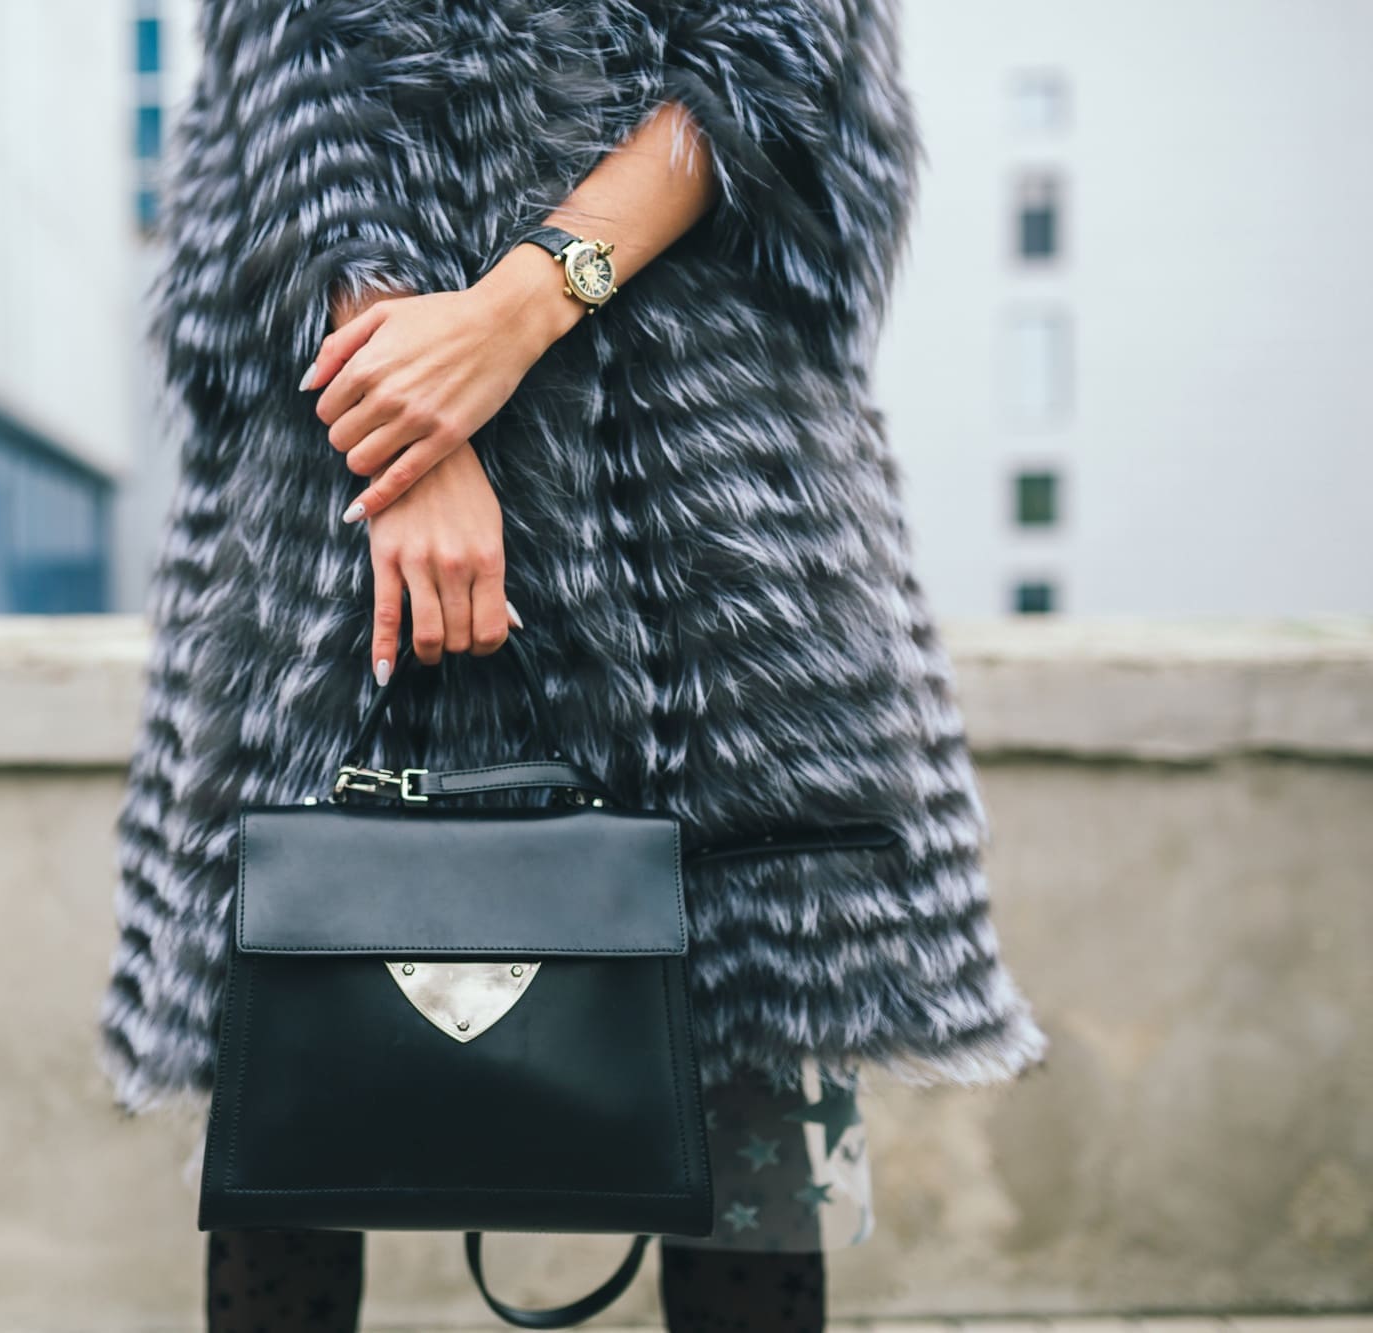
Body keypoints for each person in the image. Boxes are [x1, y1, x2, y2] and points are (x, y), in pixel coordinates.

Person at [98, 3, 1049, 1330]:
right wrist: (405, 441)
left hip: (706, 512)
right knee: (295, 1057)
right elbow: (296, 79)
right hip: (358, 488)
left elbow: (774, 64)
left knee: (749, 1072)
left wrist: (520, 308)